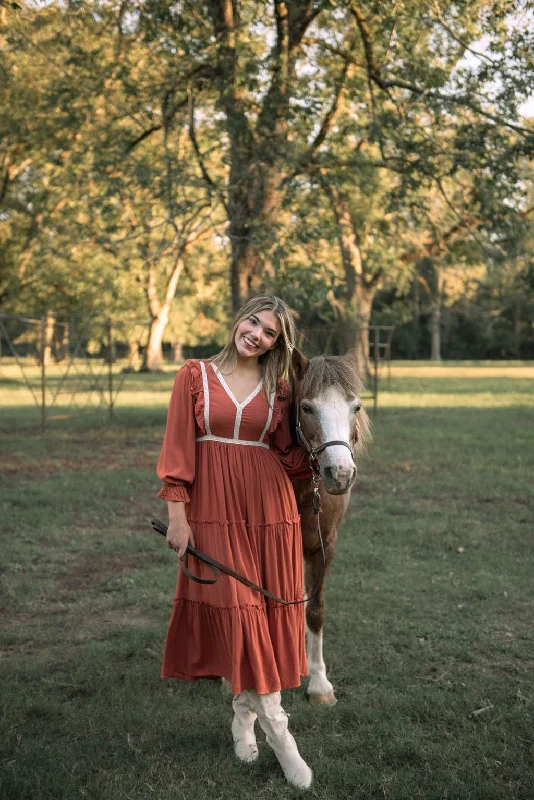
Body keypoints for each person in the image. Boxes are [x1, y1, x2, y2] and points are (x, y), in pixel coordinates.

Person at [156, 295, 314, 789]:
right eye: (255, 322)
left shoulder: (280, 387)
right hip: (214, 511)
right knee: (240, 610)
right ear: (239, 319)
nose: (258, 336)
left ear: (277, 343)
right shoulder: (194, 375)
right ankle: (284, 741)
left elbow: (290, 453)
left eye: (270, 333)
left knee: (262, 617)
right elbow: (177, 447)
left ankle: (243, 721)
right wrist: (177, 514)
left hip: (270, 513)